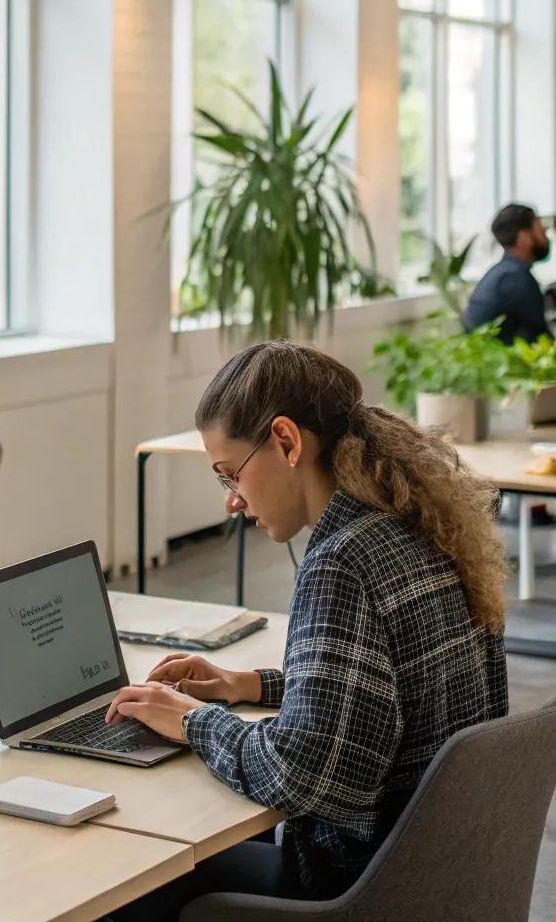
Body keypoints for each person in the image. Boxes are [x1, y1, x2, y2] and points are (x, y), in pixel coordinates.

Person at [104, 341, 508, 919]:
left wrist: (192, 721)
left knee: (133, 885)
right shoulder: (412, 524)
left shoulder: (341, 561)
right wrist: (249, 686)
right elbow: (384, 686)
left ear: (286, 442)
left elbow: (300, 775)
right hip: (439, 875)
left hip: (358, 891)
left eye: (230, 474)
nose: (232, 502)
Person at [464, 202, 551, 345]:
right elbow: (547, 330)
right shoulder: (515, 279)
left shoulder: (502, 272)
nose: (545, 233)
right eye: (540, 229)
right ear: (524, 239)